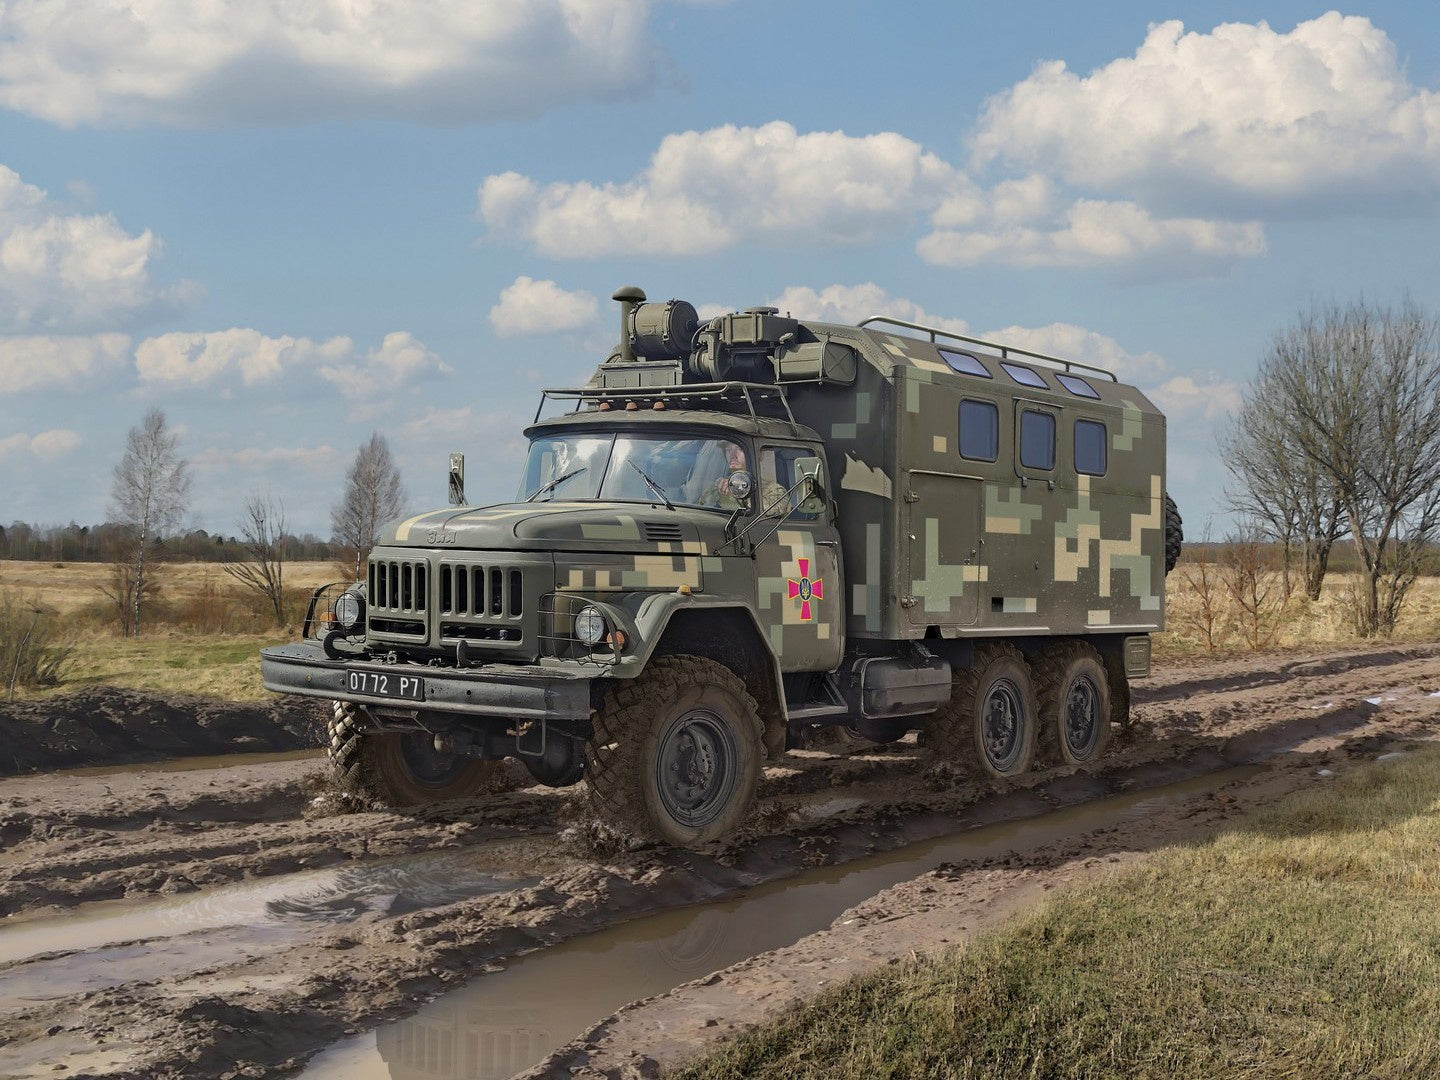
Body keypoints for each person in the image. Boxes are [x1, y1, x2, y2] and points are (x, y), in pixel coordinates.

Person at [698, 443, 787, 515]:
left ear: (758, 455)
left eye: (740, 449)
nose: (732, 455)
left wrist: (739, 489)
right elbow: (701, 515)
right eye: (728, 450)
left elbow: (778, 510)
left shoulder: (773, 489)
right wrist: (716, 493)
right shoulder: (717, 488)